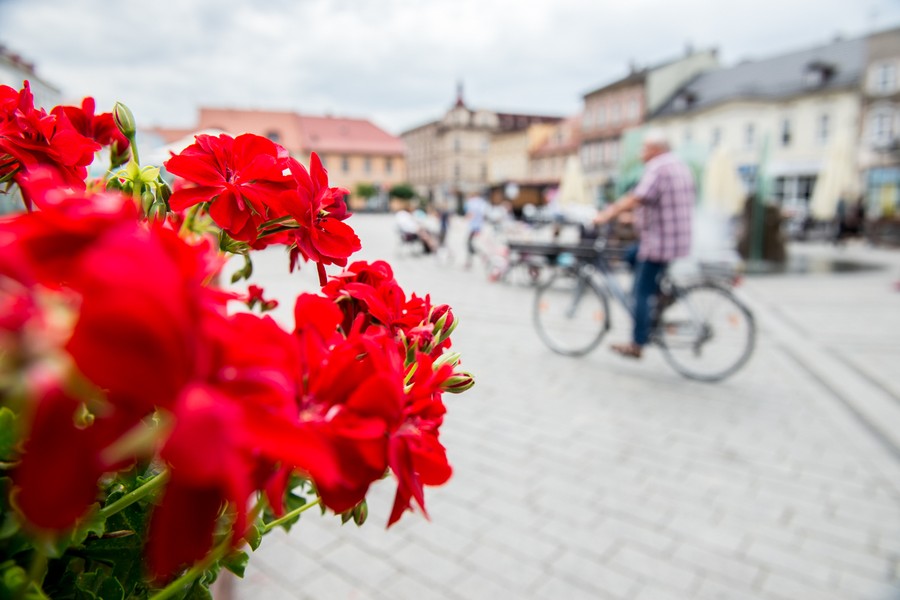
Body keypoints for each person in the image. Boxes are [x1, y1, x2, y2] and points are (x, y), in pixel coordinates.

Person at [593, 129, 694, 359]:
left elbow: (637, 196)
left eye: (644, 148)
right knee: (630, 255)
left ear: (656, 149)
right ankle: (660, 296)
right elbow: (660, 202)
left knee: (639, 292)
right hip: (678, 239)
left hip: (659, 243)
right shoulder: (679, 165)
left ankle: (637, 343)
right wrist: (634, 217)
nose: (641, 153)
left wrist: (606, 214)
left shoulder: (658, 167)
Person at [463, 191, 489, 268]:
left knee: (469, 243)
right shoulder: (482, 203)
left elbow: (469, 214)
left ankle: (479, 256)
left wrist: (464, 220)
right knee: (470, 243)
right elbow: (484, 214)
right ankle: (475, 258)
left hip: (473, 226)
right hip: (478, 226)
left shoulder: (470, 202)